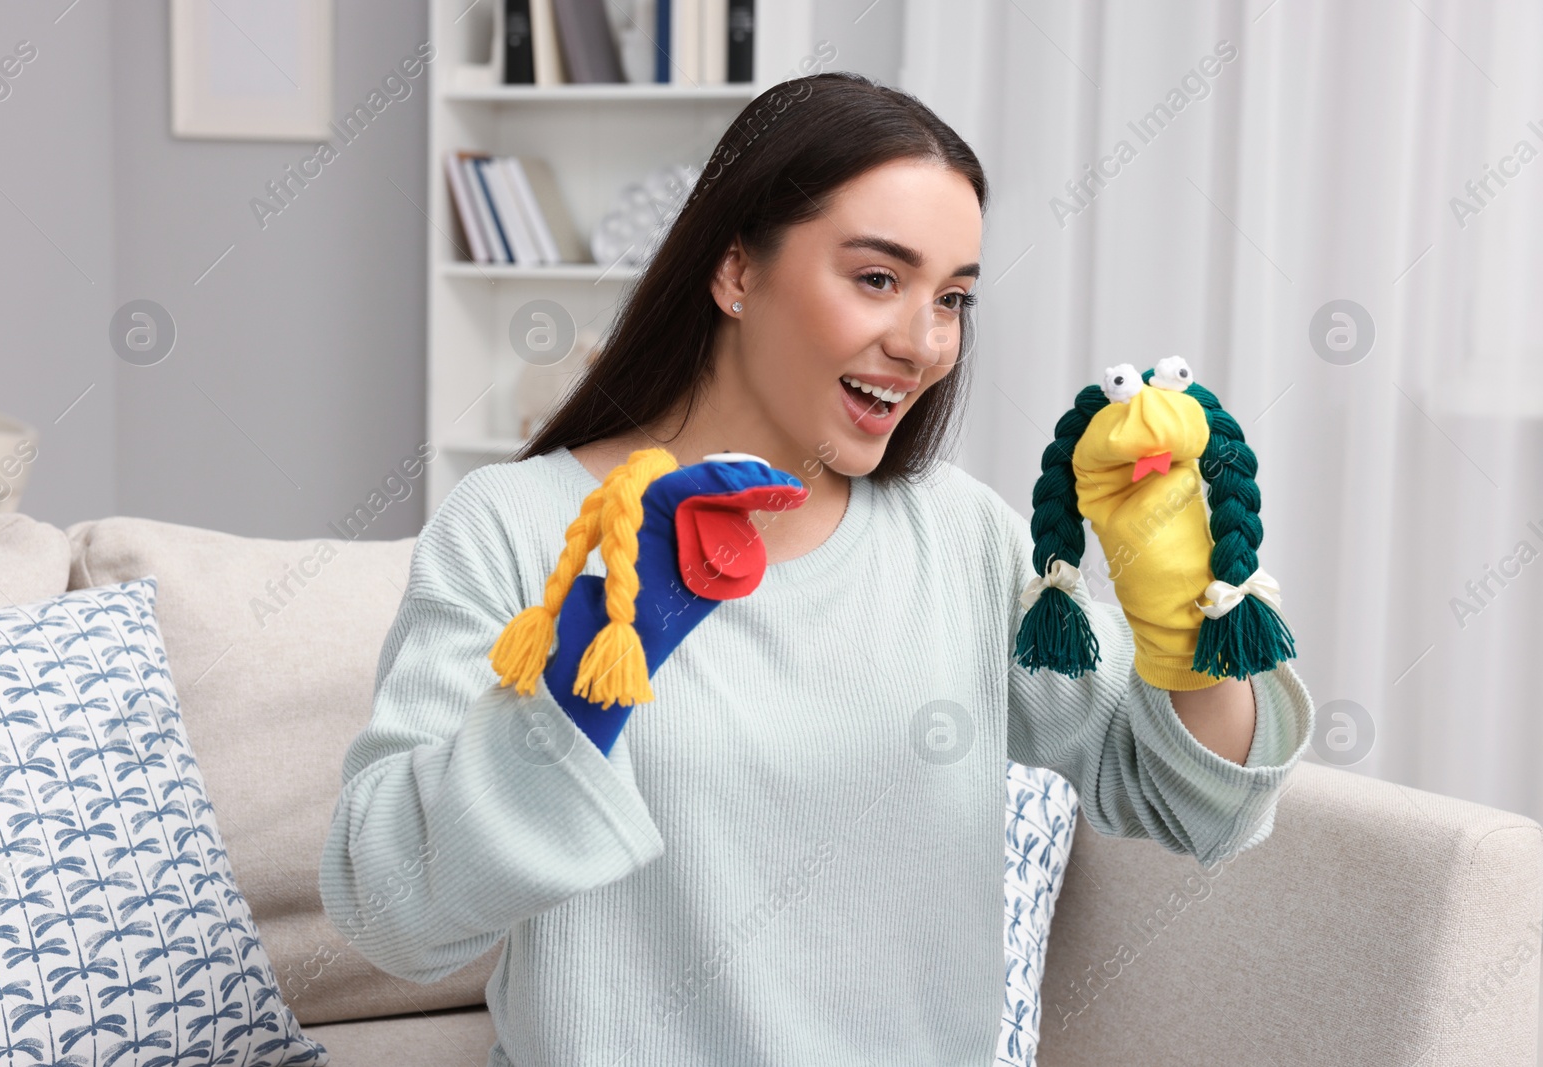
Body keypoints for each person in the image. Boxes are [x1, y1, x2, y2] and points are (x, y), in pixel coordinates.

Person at [318, 71, 1315, 1065]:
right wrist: (576, 692)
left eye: (953, 297)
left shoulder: (959, 535)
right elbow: (389, 909)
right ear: (736, 272)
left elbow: (1199, 802)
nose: (922, 343)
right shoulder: (518, 526)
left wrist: (1184, 601)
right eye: (877, 278)